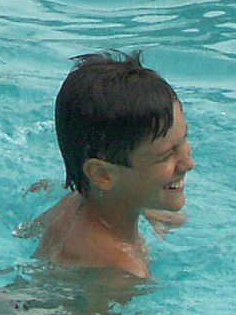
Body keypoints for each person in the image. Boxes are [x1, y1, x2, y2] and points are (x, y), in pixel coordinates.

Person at [26, 52, 196, 279]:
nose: (188, 163)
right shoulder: (121, 272)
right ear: (103, 175)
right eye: (166, 156)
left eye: (183, 139)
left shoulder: (75, 203)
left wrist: (147, 205)